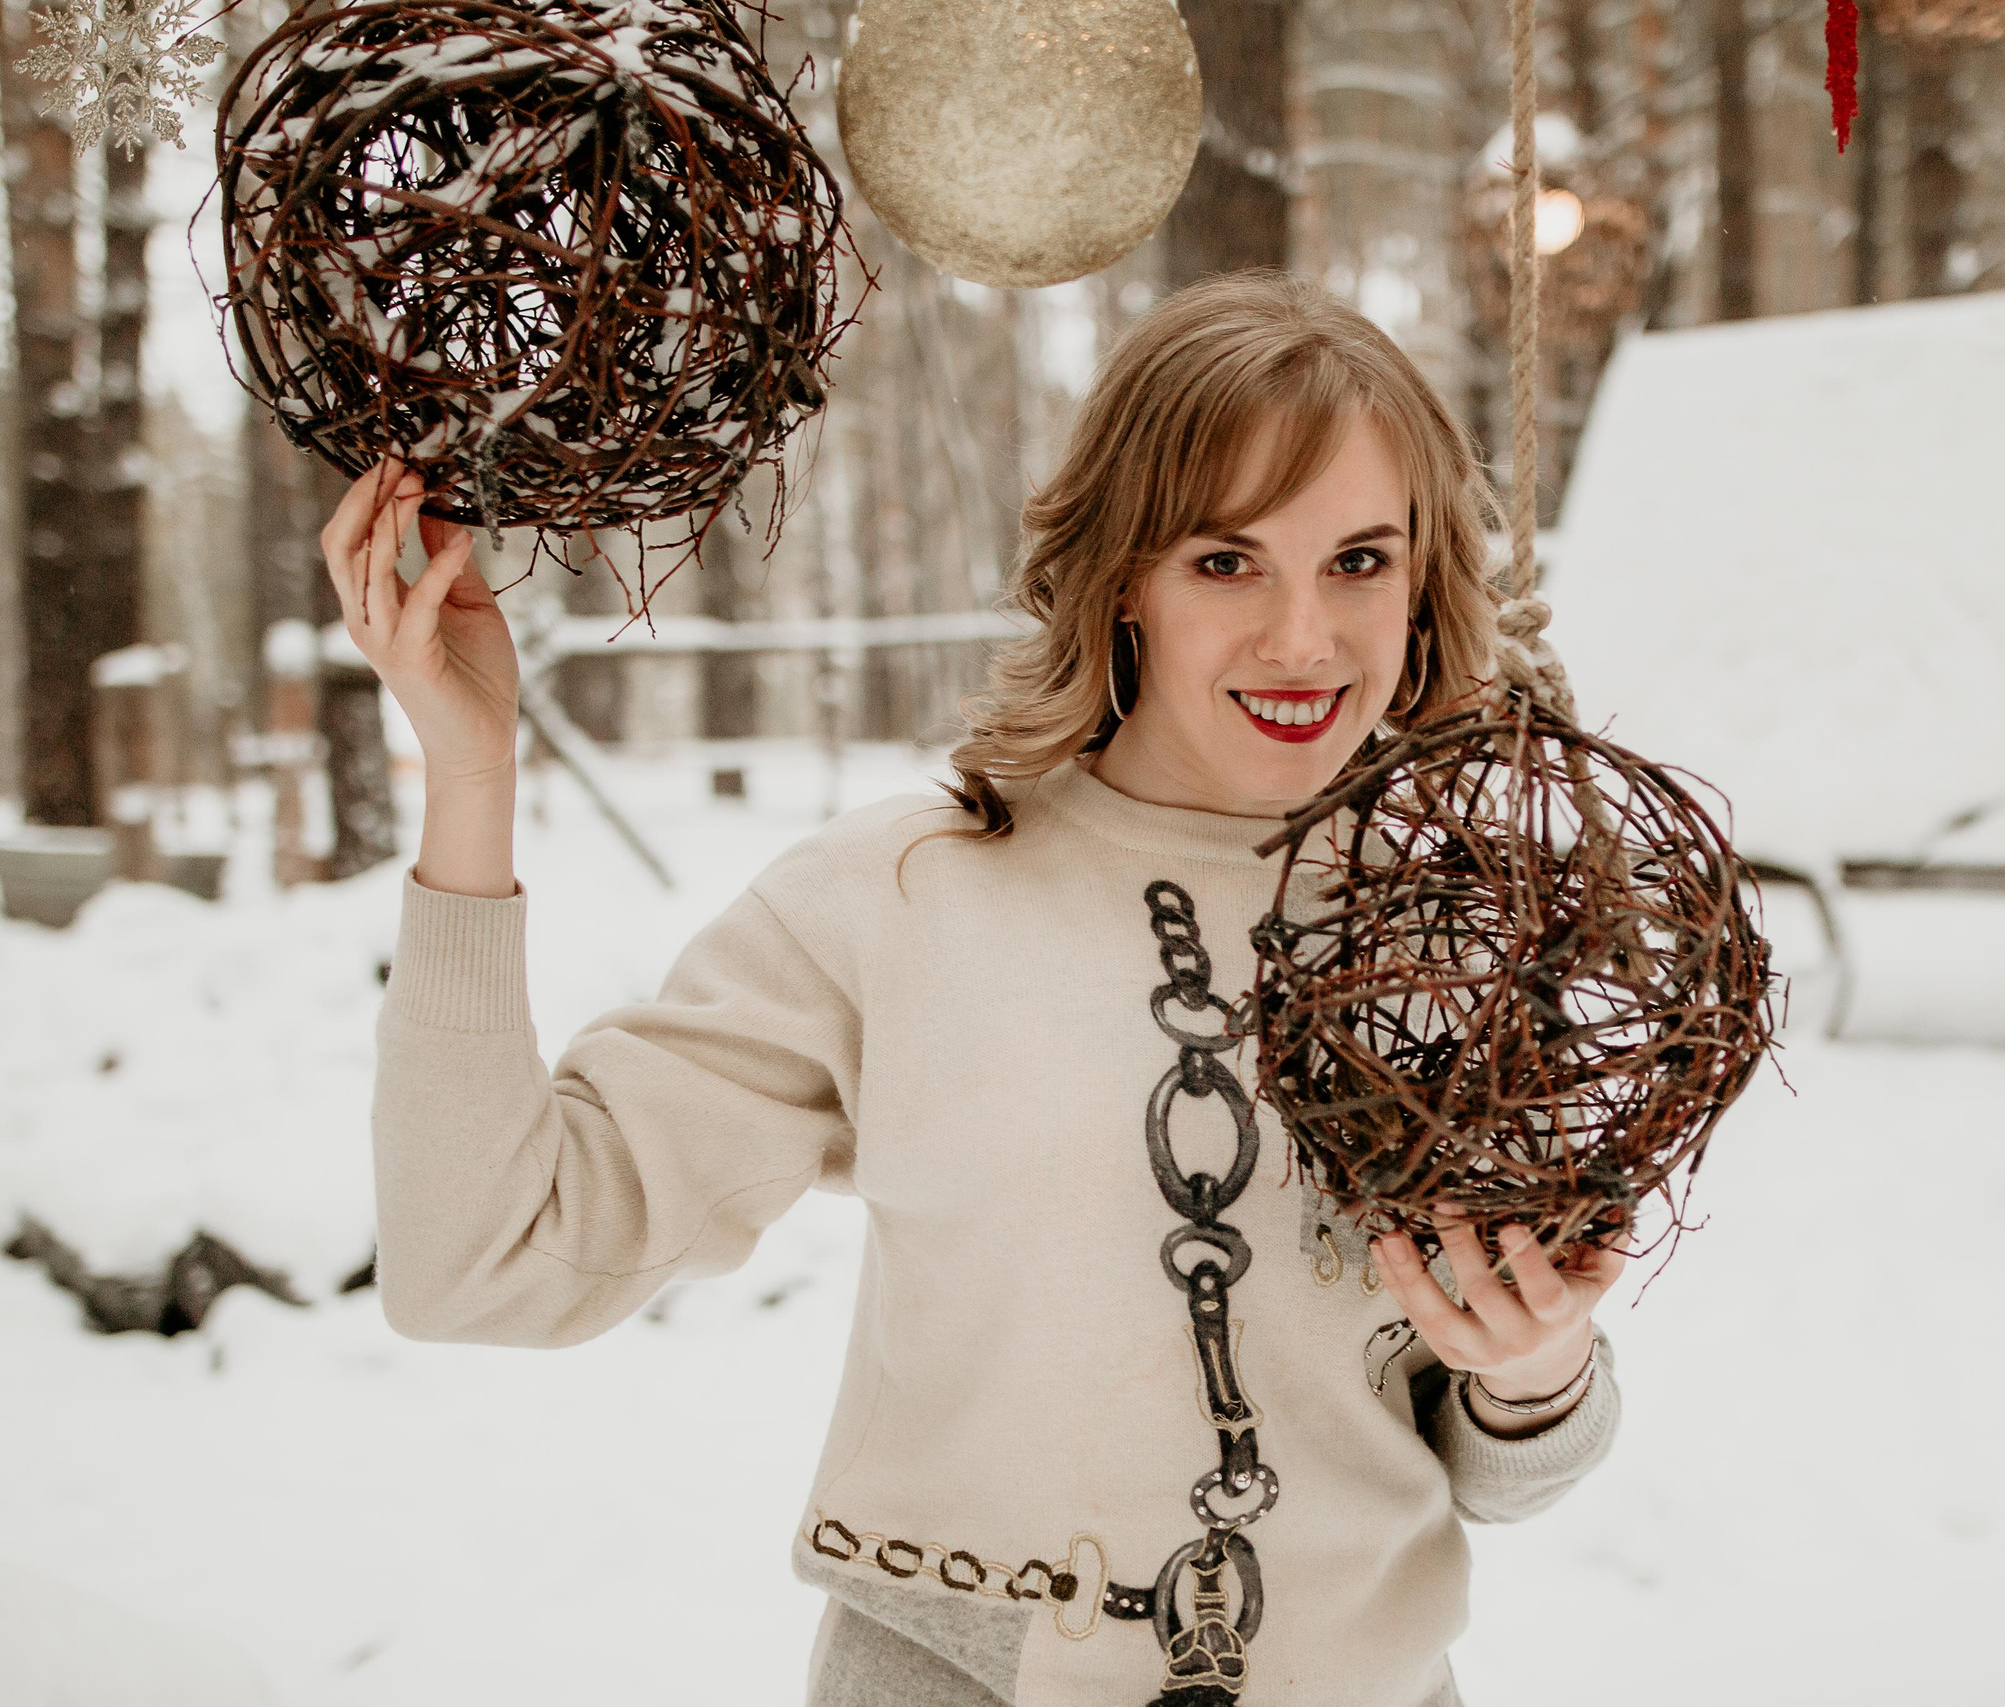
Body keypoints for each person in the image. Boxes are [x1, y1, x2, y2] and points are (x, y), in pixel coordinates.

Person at [331, 271, 1628, 1707]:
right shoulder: (901, 900)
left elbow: (1500, 1467)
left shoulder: (1450, 938)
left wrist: (1537, 1370)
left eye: (1359, 561)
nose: (1304, 639)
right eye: (1225, 561)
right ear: (1124, 572)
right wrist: (469, 779)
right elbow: (483, 1259)